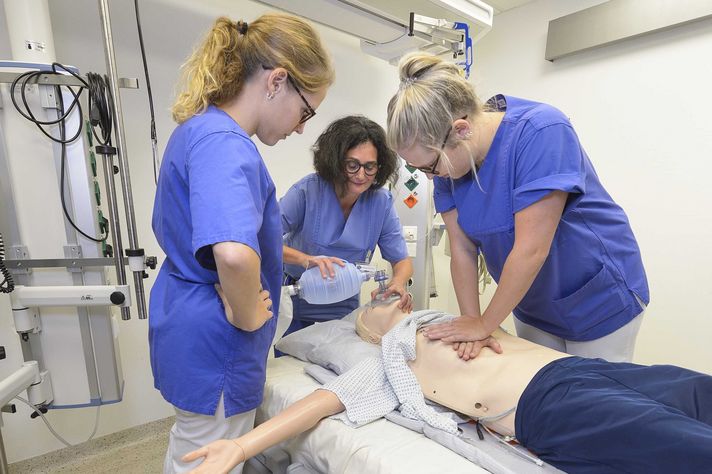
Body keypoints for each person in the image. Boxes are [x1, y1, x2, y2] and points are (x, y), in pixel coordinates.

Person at [183, 300, 712, 474]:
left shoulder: (455, 317)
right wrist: (241, 445)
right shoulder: (391, 358)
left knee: (696, 391)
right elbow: (324, 402)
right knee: (687, 446)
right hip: (549, 404)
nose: (398, 296)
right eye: (383, 300)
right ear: (370, 328)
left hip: (580, 369)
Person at [150, 13, 333, 473]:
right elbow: (232, 252)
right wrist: (250, 312)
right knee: (208, 459)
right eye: (306, 111)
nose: (300, 128)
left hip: (191, 328)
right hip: (218, 344)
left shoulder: (199, 130)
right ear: (276, 81)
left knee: (192, 449)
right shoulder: (226, 144)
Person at [385, 52, 649, 362]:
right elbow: (462, 249)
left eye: (429, 165)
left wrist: (485, 324)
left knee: (591, 400)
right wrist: (473, 320)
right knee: (540, 390)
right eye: (418, 168)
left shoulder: (541, 131)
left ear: (460, 130)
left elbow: (531, 249)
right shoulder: (449, 164)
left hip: (597, 295)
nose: (430, 176)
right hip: (530, 299)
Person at [279, 115, 413, 336]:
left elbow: (401, 260)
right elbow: (262, 241)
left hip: (344, 301)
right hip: (297, 296)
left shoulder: (381, 202)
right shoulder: (308, 191)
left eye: (370, 167)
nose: (361, 175)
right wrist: (305, 260)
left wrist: (398, 282)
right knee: (290, 366)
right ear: (336, 161)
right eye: (352, 165)